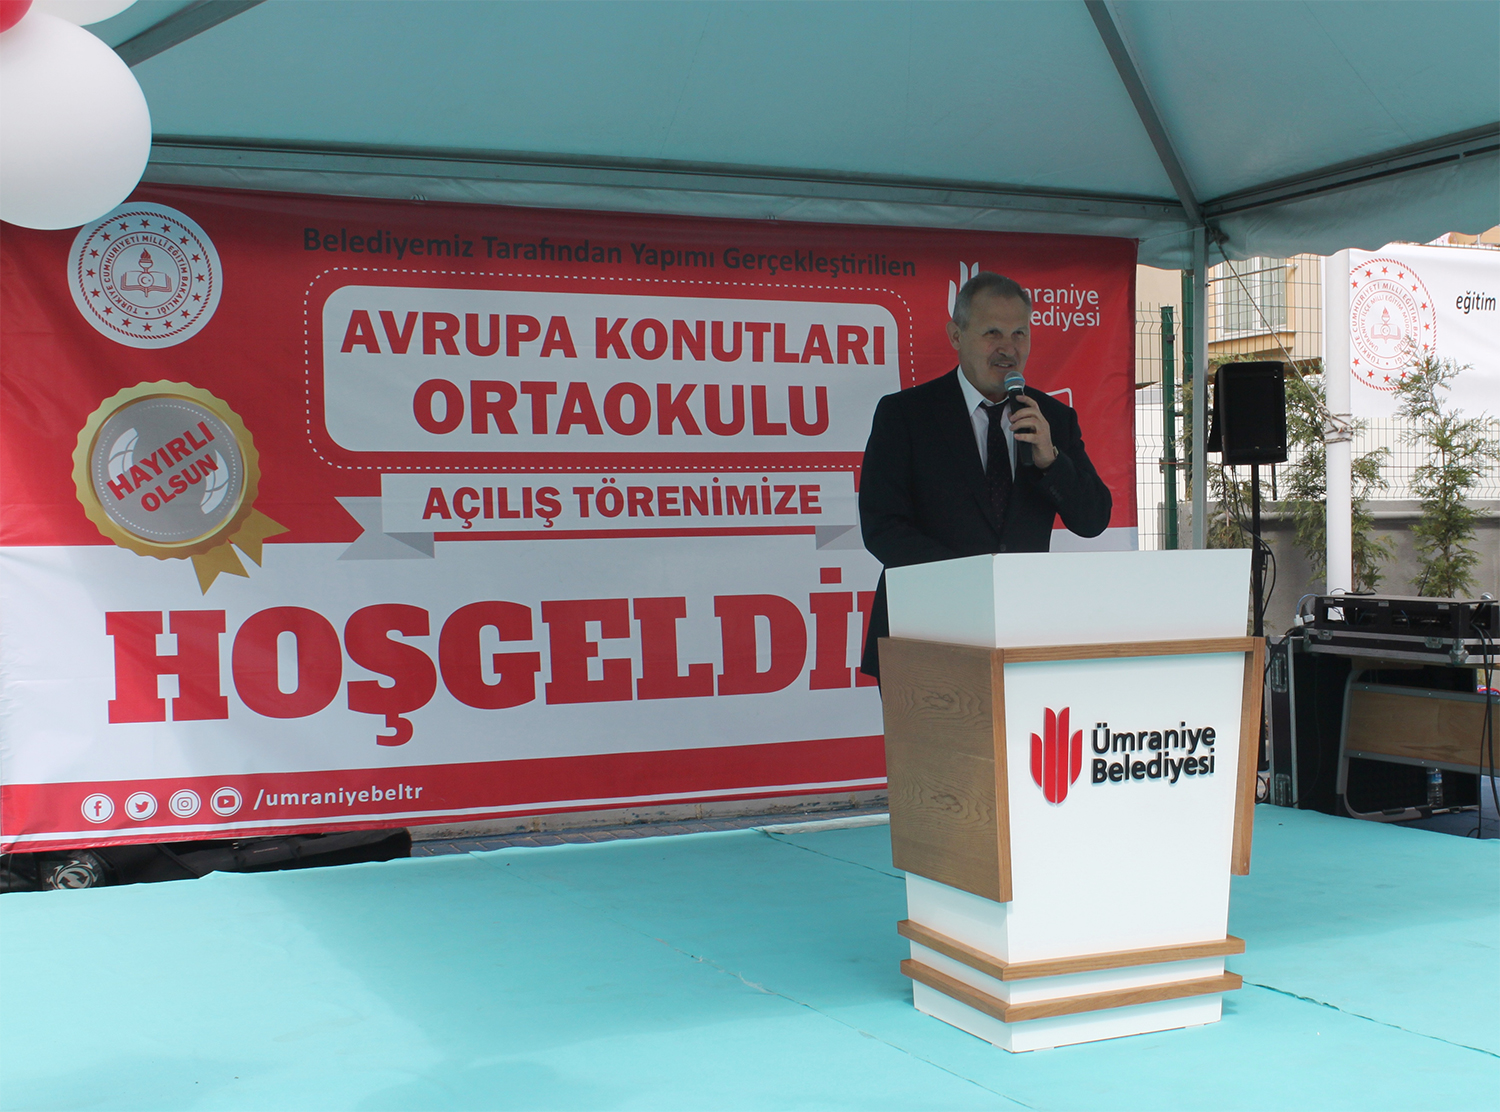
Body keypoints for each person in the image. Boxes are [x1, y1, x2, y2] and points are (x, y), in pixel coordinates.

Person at [858, 271, 1113, 679]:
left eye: (1019, 334)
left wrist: (1051, 461)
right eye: (992, 333)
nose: (1008, 349)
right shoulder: (905, 415)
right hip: (924, 634)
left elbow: (1093, 519)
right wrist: (973, 585)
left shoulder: (1052, 419)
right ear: (956, 335)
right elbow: (882, 527)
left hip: (1022, 637)